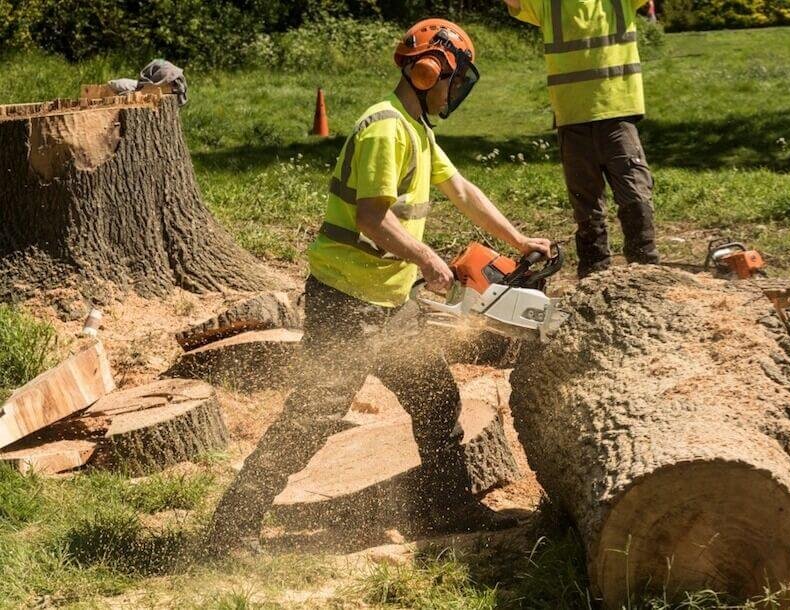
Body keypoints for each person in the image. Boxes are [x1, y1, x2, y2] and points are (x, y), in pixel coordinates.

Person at [205, 18, 551, 553]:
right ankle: (230, 528)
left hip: (392, 301)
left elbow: (460, 187)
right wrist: (428, 258)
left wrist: (517, 237)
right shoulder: (386, 129)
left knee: (436, 398)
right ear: (427, 72)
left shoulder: (416, 129)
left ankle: (448, 506)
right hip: (348, 300)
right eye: (451, 80)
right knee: (313, 415)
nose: (453, 91)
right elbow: (372, 218)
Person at [503, 0, 660, 278]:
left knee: (635, 197)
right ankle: (594, 276)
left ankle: (645, 272)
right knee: (586, 207)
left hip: (617, 113)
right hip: (572, 118)